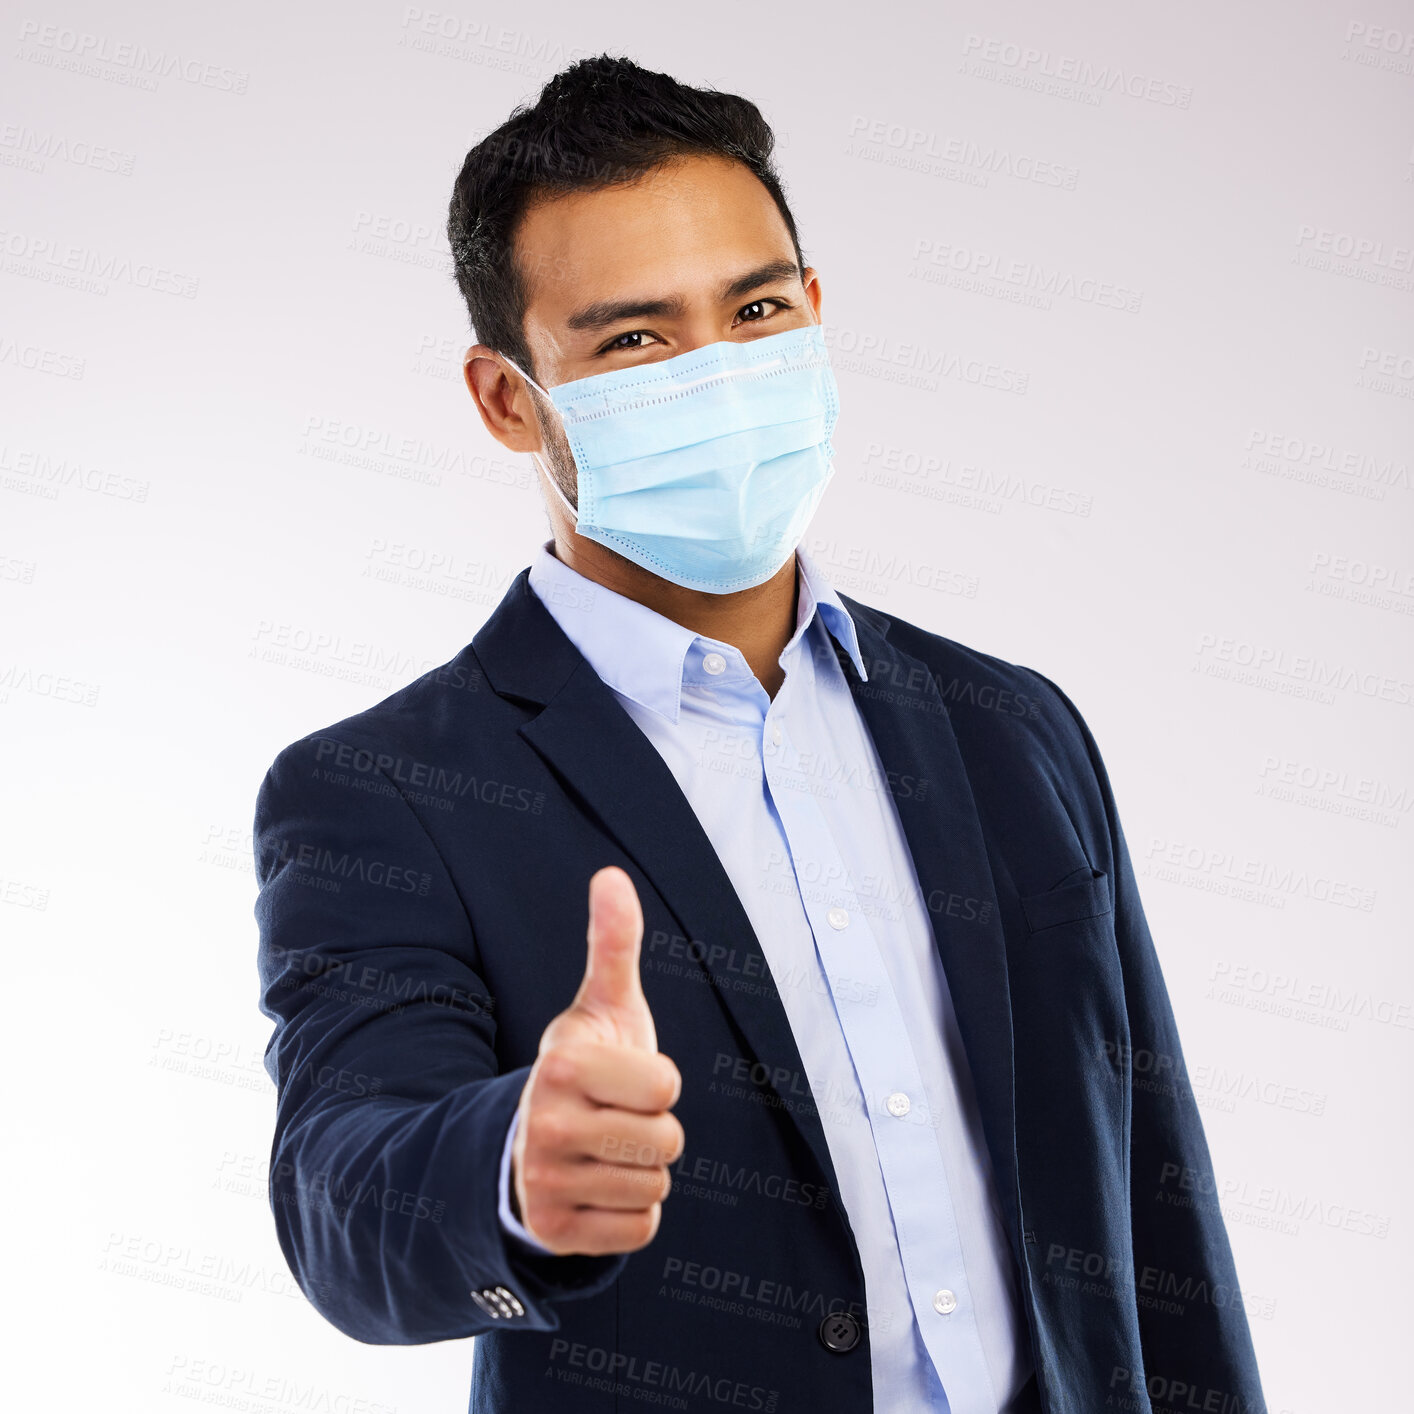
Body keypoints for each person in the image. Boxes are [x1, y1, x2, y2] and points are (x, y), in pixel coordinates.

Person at [253, 54, 1268, 1414]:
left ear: (813, 309)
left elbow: (1156, 1202)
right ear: (507, 397)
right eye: (633, 340)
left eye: (754, 307)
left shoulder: (1012, 728)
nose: (717, 371)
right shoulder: (386, 790)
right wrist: (512, 1169)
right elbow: (343, 1192)